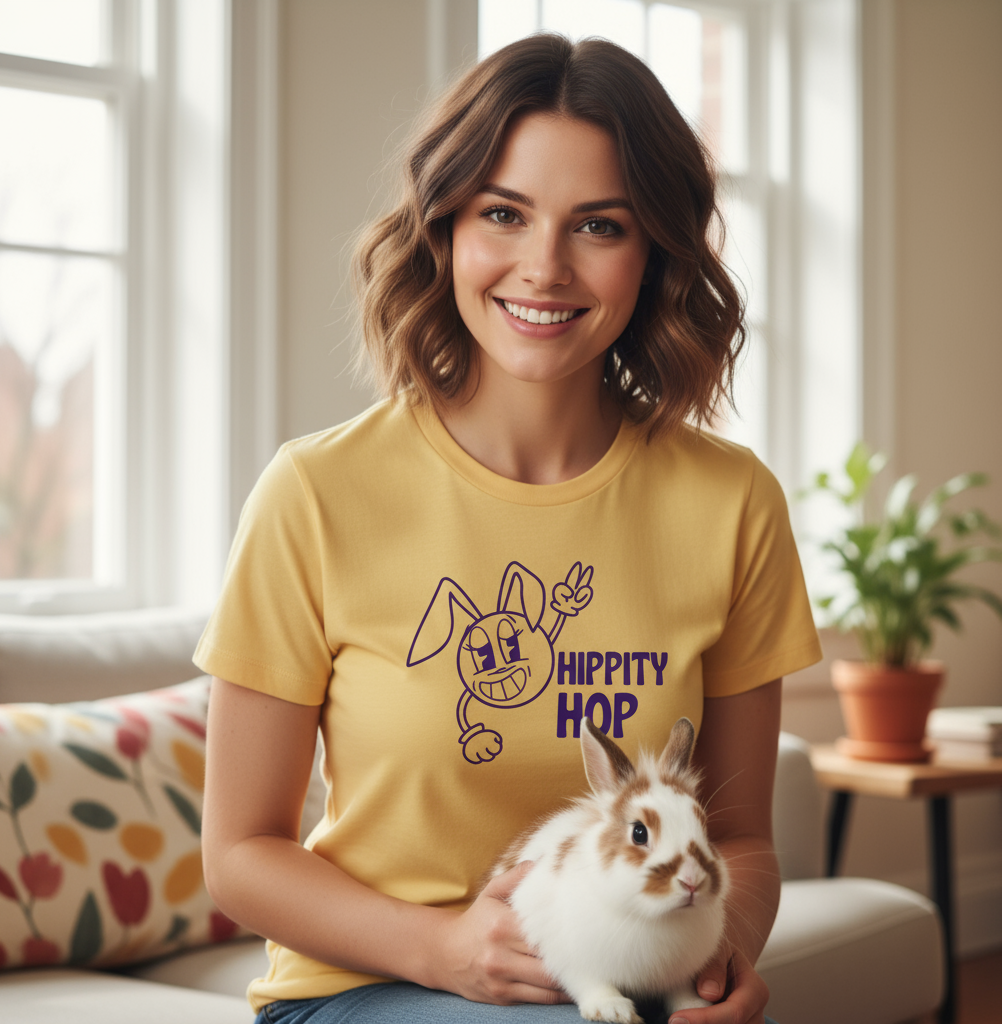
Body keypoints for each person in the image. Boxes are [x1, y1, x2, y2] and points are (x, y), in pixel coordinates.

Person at [198, 34, 822, 1024]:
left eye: (599, 226)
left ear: (654, 248)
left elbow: (740, 837)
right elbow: (237, 856)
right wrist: (445, 949)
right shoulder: (314, 492)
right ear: (444, 229)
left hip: (621, 988)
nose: (544, 267)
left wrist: (714, 964)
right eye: (503, 213)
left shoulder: (732, 502)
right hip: (367, 987)